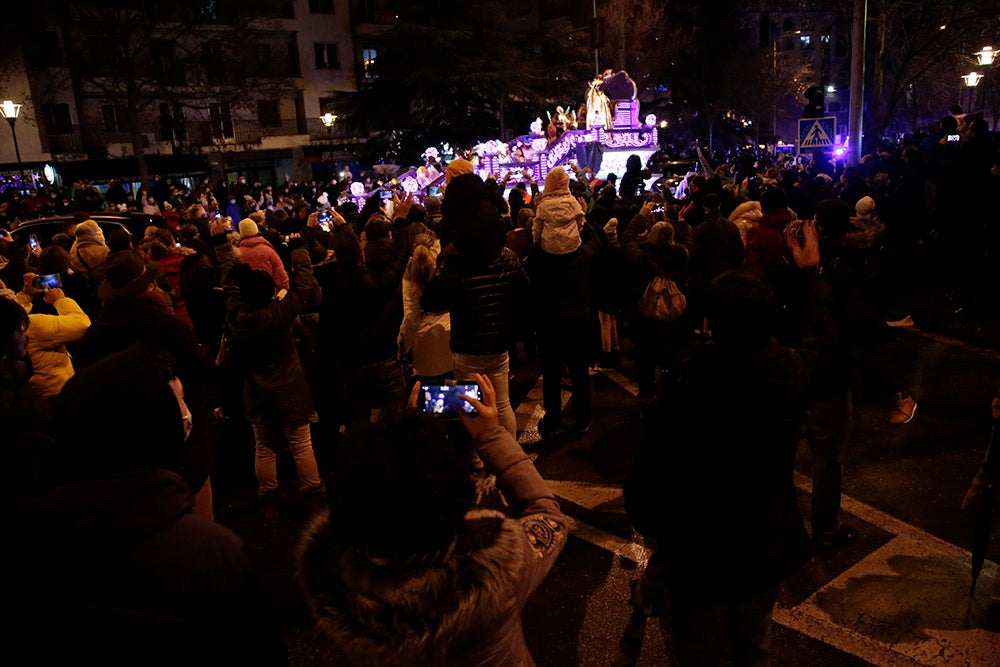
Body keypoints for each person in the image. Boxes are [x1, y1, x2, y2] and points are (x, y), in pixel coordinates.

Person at [625, 222, 836, 666]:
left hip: (697, 556)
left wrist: (659, 535)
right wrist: (810, 274)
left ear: (710, 323)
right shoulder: (789, 373)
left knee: (698, 653)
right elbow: (823, 343)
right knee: (754, 644)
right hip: (762, 548)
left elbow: (645, 483)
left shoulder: (685, 385)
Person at [8, 344, 287, 665]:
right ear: (156, 428)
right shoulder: (209, 554)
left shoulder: (31, 540)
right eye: (178, 405)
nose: (187, 416)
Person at [296, 373, 567, 666]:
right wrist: (491, 436)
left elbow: (377, 490)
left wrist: (403, 434)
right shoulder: (496, 568)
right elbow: (547, 514)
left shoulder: (337, 578)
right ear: (456, 501)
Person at [214, 218, 325, 518]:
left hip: (256, 388)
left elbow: (230, 287)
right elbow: (302, 285)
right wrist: (299, 248)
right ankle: (314, 495)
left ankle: (269, 498)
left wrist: (222, 250)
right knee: (301, 443)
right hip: (290, 383)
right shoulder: (282, 312)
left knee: (263, 446)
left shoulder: (238, 316)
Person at [421, 173, 530, 437]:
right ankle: (508, 452)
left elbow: (432, 300)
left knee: (470, 407)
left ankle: (477, 460)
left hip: (468, 344)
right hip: (500, 342)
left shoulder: (453, 257)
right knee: (502, 402)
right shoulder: (506, 255)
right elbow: (524, 294)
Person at [532, 166, 586, 255]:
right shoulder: (572, 202)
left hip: (549, 249)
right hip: (572, 246)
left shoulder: (543, 205)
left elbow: (537, 228)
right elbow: (581, 222)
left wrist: (536, 243)